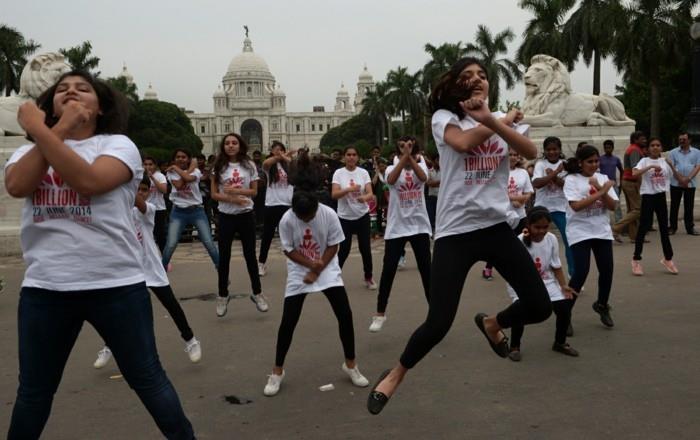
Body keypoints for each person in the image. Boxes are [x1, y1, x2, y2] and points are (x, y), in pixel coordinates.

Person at [4, 71, 194, 438]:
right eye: (61, 90)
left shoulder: (118, 146)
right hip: (46, 288)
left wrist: (41, 129)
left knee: (148, 381)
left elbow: (89, 182)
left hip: (115, 285)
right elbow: (17, 185)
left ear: (102, 105)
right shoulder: (28, 151)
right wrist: (55, 131)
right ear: (48, 107)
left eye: (82, 89)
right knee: (33, 393)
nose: (71, 93)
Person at [366, 58, 551, 415]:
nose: (477, 80)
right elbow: (463, 143)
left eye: (482, 75)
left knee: (541, 306)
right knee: (439, 322)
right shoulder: (444, 119)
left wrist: (495, 119)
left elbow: (529, 153)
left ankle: (492, 322)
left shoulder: (497, 118)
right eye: (468, 76)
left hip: (496, 227)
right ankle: (397, 373)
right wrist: (495, 121)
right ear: (456, 87)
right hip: (455, 231)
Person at [263, 190, 369, 396]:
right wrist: (310, 266)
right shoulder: (286, 220)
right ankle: (277, 372)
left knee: (345, 315)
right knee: (289, 321)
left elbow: (334, 244)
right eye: (302, 218)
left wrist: (318, 269)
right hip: (299, 269)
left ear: (316, 209)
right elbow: (288, 250)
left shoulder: (328, 214)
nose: (306, 220)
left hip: (326, 267)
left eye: (309, 217)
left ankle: (351, 364)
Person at [94, 178, 202, 368]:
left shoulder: (148, 210)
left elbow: (139, 203)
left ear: (149, 192)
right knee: (118, 312)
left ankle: (191, 340)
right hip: (128, 271)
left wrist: (124, 185)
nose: (141, 193)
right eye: (138, 189)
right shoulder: (119, 213)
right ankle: (109, 345)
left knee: (171, 305)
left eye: (144, 190)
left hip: (151, 269)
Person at [369, 137, 432, 333]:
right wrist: (405, 156)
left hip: (419, 226)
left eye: (411, 144)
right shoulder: (390, 167)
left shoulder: (421, 164)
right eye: (403, 145)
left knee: (427, 272)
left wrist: (410, 156)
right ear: (397, 149)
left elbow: (423, 178)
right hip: (397, 227)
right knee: (388, 271)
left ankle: (435, 313)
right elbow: (391, 180)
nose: (407, 147)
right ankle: (380, 313)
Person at [506, 207, 578, 361]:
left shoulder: (551, 239)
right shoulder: (519, 241)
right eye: (537, 227)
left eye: (545, 227)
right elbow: (514, 271)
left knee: (564, 308)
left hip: (547, 281)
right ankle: (514, 346)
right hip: (522, 284)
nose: (541, 231)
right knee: (521, 310)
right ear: (529, 225)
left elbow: (555, 265)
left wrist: (563, 285)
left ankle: (560, 342)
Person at [211, 133, 269, 317]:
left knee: (250, 256)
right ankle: (222, 295)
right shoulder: (218, 166)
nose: (230, 146)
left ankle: (257, 293)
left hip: (245, 215)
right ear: (223, 146)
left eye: (234, 143)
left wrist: (237, 193)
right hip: (226, 216)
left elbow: (254, 191)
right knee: (224, 257)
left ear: (240, 145)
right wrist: (231, 198)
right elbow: (214, 194)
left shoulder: (249, 165)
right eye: (227, 143)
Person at [563, 145, 618, 329]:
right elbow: (576, 206)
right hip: (580, 231)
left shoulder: (603, 178)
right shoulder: (571, 180)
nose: (594, 164)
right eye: (589, 161)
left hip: (601, 231)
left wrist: (601, 188)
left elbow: (612, 207)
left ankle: (602, 305)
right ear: (580, 163)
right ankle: (565, 312)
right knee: (581, 272)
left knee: (607, 269)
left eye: (596, 161)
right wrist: (601, 191)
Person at [161, 148, 220, 272]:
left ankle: (220, 269)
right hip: (178, 212)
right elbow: (178, 185)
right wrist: (185, 169)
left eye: (183, 157)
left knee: (208, 242)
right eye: (178, 157)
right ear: (174, 159)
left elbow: (189, 179)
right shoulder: (171, 173)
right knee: (171, 244)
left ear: (188, 159)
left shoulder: (196, 171)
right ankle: (162, 269)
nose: (180, 159)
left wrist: (179, 169)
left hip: (196, 211)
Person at [482, 148, 533, 280]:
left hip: (520, 214)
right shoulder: (497, 172)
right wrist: (513, 198)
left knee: (525, 240)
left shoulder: (523, 173)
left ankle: (524, 269)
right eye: (510, 155)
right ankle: (488, 267)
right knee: (499, 243)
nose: (513, 157)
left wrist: (522, 201)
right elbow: (493, 192)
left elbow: (529, 192)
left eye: (516, 154)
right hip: (503, 213)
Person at [332, 146, 377, 289]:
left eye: (354, 155)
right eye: (348, 155)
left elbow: (370, 193)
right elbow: (334, 194)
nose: (351, 157)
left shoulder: (363, 173)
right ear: (344, 157)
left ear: (358, 157)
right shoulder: (339, 173)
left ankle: (368, 277)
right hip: (344, 217)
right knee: (344, 249)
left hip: (362, 215)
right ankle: (334, 276)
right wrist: (348, 190)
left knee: (365, 248)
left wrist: (365, 197)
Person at [631, 138, 677, 275]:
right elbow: (634, 173)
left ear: (661, 147)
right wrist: (650, 167)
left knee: (664, 228)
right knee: (643, 227)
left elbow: (673, 175)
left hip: (660, 196)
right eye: (652, 145)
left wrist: (671, 165)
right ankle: (636, 259)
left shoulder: (664, 161)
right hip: (648, 196)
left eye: (658, 145)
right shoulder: (644, 161)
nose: (655, 147)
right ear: (648, 148)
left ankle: (668, 259)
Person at [532, 136, 574, 277]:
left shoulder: (565, 164)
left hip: (561, 208)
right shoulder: (540, 164)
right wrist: (555, 173)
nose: (552, 152)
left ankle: (572, 274)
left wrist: (553, 176)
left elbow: (568, 186)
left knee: (569, 240)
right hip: (542, 207)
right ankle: (538, 272)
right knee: (536, 239)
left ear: (559, 149)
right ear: (544, 151)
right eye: (548, 149)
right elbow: (537, 183)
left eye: (554, 149)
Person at [258, 141, 295, 276]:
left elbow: (296, 166)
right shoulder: (270, 165)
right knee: (267, 235)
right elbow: (266, 164)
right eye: (276, 149)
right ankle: (261, 263)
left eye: (281, 149)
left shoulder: (288, 165)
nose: (278, 151)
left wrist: (286, 157)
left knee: (289, 237)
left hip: (287, 205)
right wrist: (281, 156)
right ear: (272, 151)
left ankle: (293, 264)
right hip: (272, 204)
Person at [613, 131, 647, 242]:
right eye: (642, 139)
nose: (645, 141)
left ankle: (634, 236)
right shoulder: (635, 150)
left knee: (632, 210)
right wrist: (638, 183)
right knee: (638, 209)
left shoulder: (633, 149)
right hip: (632, 182)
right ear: (635, 139)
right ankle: (616, 228)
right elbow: (635, 168)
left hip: (627, 181)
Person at [667, 132, 700, 235]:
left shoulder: (697, 152)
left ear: (689, 140)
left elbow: (697, 167)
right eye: (680, 139)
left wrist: (688, 179)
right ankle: (672, 227)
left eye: (684, 139)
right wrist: (681, 180)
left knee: (689, 206)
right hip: (676, 183)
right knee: (674, 205)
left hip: (690, 183)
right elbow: (671, 168)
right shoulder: (673, 152)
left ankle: (690, 228)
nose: (681, 141)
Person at [142, 156, 168, 251]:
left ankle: (165, 260)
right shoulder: (140, 176)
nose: (148, 166)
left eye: (150, 164)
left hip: (158, 209)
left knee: (161, 236)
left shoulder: (160, 176)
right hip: (144, 208)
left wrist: (152, 177)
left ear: (155, 165)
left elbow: (164, 190)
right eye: (145, 164)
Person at [599, 140, 624, 226]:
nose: (607, 149)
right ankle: (603, 222)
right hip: (603, 185)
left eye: (609, 147)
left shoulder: (616, 159)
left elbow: (621, 170)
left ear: (612, 148)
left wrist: (621, 183)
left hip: (613, 184)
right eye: (606, 148)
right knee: (602, 203)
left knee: (616, 203)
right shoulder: (600, 159)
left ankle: (619, 223)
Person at [426, 152, 440, 231]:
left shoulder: (445, 171)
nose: (439, 161)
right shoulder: (429, 171)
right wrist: (441, 182)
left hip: (441, 197)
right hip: (431, 197)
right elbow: (429, 183)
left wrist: (434, 183)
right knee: (431, 215)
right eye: (437, 160)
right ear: (433, 161)